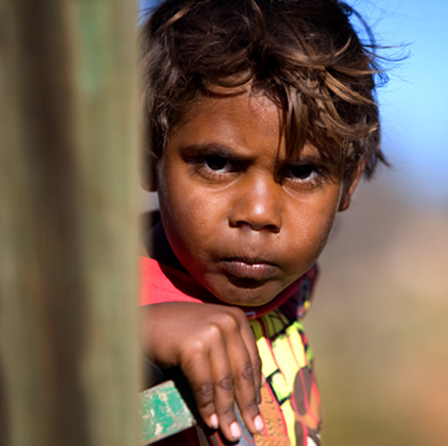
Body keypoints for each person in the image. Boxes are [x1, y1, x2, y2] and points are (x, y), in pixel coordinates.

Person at [139, 0, 389, 444]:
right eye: (218, 163)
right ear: (148, 158)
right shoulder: (99, 308)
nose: (258, 213)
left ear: (347, 186)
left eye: (302, 172)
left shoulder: (292, 288)